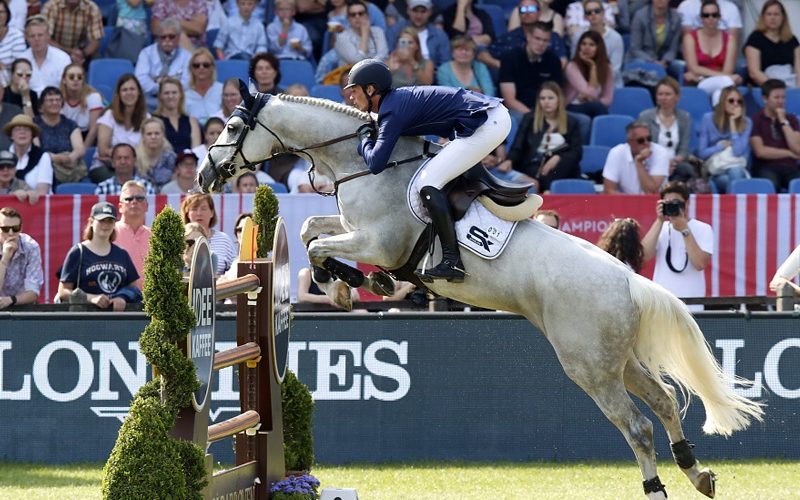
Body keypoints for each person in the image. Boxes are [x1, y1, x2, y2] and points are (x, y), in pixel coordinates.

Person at [347, 58, 511, 282]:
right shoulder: (392, 104)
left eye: (354, 90)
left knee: (427, 182)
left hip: (487, 122)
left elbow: (376, 164)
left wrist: (364, 140)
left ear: (370, 89)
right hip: (489, 118)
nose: (350, 97)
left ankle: (452, 262)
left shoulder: (392, 110)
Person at [56, 201, 141, 311]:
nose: (105, 225)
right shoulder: (78, 252)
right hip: (86, 316)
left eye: (110, 221)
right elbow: (63, 292)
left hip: (117, 317)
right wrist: (90, 298)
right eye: (101, 220)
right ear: (91, 222)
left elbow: (134, 288)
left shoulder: (122, 253)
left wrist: (122, 297)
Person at [642, 181, 713, 311]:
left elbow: (700, 264)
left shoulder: (703, 228)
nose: (672, 206)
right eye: (667, 203)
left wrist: (684, 230)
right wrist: (659, 221)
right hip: (662, 305)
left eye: (676, 202)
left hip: (691, 307)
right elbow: (643, 256)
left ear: (687, 203)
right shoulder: (660, 228)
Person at [498, 81, 582, 191]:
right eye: (542, 98)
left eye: (550, 98)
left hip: (561, 165)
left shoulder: (571, 122)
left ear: (559, 99)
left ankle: (548, 191)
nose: (546, 102)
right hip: (534, 163)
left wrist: (558, 157)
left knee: (564, 164)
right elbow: (518, 145)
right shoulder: (529, 119)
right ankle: (548, 191)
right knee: (540, 172)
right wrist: (509, 160)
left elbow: (577, 151)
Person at [499, 22, 563, 120]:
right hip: (518, 110)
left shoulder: (553, 60)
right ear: (528, 36)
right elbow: (510, 101)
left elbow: (556, 94)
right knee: (518, 118)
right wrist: (534, 117)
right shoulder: (510, 58)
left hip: (546, 110)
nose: (541, 44)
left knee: (582, 120)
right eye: (537, 39)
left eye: (545, 40)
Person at [92, 73, 149, 183]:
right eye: (124, 90)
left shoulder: (146, 118)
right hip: (106, 167)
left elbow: (148, 150)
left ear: (139, 92)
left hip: (136, 168)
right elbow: (103, 151)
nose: (129, 93)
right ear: (118, 94)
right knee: (126, 181)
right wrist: (129, 157)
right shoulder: (109, 116)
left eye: (132, 89)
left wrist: (117, 155)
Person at [638, 77, 694, 184]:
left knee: (686, 170)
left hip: (675, 163)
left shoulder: (685, 118)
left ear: (677, 97)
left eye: (668, 94)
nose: (663, 98)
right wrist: (662, 165)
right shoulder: (645, 117)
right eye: (660, 94)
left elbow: (684, 149)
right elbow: (642, 146)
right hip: (652, 161)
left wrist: (673, 162)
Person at [487, 0, 568, 72]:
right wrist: (501, 65)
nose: (527, 13)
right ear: (519, 14)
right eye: (523, 10)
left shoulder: (553, 37)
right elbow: (484, 53)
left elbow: (562, 60)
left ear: (539, 13)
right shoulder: (508, 38)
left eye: (532, 9)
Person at [697, 85, 751, 193]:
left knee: (734, 173)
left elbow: (737, 151)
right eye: (731, 101)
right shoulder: (708, 118)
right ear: (723, 102)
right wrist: (720, 147)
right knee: (735, 178)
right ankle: (737, 201)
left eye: (739, 101)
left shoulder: (747, 122)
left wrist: (733, 123)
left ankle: (732, 202)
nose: (735, 104)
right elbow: (701, 153)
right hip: (716, 170)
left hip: (736, 167)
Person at [750, 78, 800, 192]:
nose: (781, 101)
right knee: (771, 184)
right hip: (766, 167)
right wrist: (788, 153)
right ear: (765, 99)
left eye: (783, 97)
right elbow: (760, 151)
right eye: (776, 97)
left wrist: (783, 121)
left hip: (791, 167)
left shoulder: (791, 119)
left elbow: (797, 149)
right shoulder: (756, 120)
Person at [681, 0, 741, 89]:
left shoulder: (730, 40)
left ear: (719, 17)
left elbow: (728, 72)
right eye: (706, 15)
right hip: (697, 84)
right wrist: (722, 76)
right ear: (701, 18)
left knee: (725, 86)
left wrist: (701, 77)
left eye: (714, 15)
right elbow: (693, 68)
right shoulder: (690, 38)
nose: (710, 18)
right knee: (727, 82)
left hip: (715, 83)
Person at [134, 17, 192, 108]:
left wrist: (162, 85)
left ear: (178, 38)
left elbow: (187, 83)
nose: (167, 40)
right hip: (150, 98)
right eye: (163, 37)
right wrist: (162, 88)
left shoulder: (186, 56)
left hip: (177, 100)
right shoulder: (146, 53)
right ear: (158, 38)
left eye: (171, 37)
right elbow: (141, 80)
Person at [34, 86, 86, 185]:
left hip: (69, 166)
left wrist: (70, 158)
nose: (55, 103)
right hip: (45, 165)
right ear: (41, 105)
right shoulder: (35, 124)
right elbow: (36, 149)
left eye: (58, 100)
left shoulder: (70, 124)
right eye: (50, 100)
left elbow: (80, 148)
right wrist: (56, 158)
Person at [743, 0, 800, 88]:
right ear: (763, 17)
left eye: (776, 14)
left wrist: (797, 90)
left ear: (783, 17)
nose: (773, 18)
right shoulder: (755, 39)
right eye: (769, 14)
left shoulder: (792, 40)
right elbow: (754, 73)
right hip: (765, 88)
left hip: (791, 86)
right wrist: (777, 88)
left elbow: (799, 70)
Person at [603, 120, 670, 194]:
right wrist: (632, 201)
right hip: (626, 199)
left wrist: (639, 162)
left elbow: (651, 191)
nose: (646, 143)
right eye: (640, 140)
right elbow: (609, 190)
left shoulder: (660, 152)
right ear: (630, 142)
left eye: (649, 138)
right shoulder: (616, 152)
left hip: (657, 200)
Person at [570, 0, 624, 87]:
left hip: (610, 86)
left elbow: (614, 70)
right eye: (589, 12)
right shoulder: (578, 37)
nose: (593, 14)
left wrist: (594, 85)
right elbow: (574, 65)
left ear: (603, 13)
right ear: (585, 17)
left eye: (597, 11)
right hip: (583, 84)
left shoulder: (616, 38)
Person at [180, 193, 238, 274]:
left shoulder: (224, 239)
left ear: (212, 213)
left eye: (203, 209)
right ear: (187, 213)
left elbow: (236, 271)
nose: (199, 213)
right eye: (194, 209)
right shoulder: (178, 240)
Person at [385, 0, 450, 68]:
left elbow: (445, 64)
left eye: (423, 11)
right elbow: (388, 56)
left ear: (430, 12)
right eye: (415, 11)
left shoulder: (440, 36)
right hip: (399, 71)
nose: (419, 16)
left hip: (431, 73)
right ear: (408, 11)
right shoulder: (395, 31)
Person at [564, 30, 614, 119]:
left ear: (599, 48)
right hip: (572, 105)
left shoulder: (607, 68)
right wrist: (593, 67)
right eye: (583, 44)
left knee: (597, 107)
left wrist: (594, 100)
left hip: (594, 106)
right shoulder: (572, 66)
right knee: (597, 108)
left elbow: (608, 99)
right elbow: (590, 93)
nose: (586, 48)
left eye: (591, 45)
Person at [0, 205, 43, 309]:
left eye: (15, 228)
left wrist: (11, 300)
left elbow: (34, 292)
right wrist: (4, 259)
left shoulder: (31, 247)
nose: (11, 233)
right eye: (5, 229)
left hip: (22, 306)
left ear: (21, 228)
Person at [41, 0, 104, 66]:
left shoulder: (92, 8)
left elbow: (95, 40)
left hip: (80, 51)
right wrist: (69, 52)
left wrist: (83, 54)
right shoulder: (51, 6)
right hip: (56, 50)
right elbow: (45, 38)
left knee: (96, 57)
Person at [5, 113, 52, 202]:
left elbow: (42, 192)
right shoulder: (3, 157)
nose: (22, 132)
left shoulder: (43, 156)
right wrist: (12, 195)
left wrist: (30, 195)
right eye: (18, 129)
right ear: (11, 135)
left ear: (32, 135)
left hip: (36, 205)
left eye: (27, 129)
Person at [626, 0, 682, 73]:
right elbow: (635, 49)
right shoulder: (640, 16)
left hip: (664, 60)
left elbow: (673, 49)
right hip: (642, 58)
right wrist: (653, 62)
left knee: (679, 66)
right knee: (649, 67)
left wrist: (665, 61)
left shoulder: (676, 18)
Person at [20, 15, 71, 95]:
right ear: (26, 38)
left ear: (48, 35)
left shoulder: (63, 58)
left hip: (56, 100)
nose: (36, 39)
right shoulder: (21, 60)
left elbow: (67, 88)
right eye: (32, 36)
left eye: (40, 35)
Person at [115, 180, 151, 288]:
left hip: (149, 297)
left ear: (146, 206)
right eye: (129, 199)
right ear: (120, 207)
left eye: (139, 198)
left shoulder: (155, 237)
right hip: (116, 296)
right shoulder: (109, 233)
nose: (134, 202)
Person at [60, 63, 102, 146]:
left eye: (79, 77)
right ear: (64, 80)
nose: (76, 79)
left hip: (86, 138)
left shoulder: (93, 97)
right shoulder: (58, 98)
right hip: (64, 138)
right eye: (71, 77)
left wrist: (83, 150)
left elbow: (93, 130)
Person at [153, 77, 201, 152]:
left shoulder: (192, 121)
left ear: (181, 95)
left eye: (174, 92)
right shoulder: (154, 121)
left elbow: (196, 150)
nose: (170, 96)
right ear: (160, 96)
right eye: (166, 93)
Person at [184, 48, 223, 125]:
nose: (201, 68)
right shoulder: (184, 94)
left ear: (212, 67)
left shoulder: (222, 90)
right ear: (191, 69)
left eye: (206, 65)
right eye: (196, 65)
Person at [135, 117, 175, 190]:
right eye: (149, 134)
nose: (153, 137)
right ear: (143, 136)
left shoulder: (171, 158)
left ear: (163, 135)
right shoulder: (135, 158)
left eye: (157, 133)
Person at [676, 0, 741, 40]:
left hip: (722, 54)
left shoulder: (731, 8)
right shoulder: (686, 6)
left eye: (715, 15)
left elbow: (732, 41)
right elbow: (687, 38)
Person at [0, 0, 26, 78]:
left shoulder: (17, 36)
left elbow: (20, 67)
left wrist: (4, 69)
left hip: (10, 80)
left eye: (1, 12)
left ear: (7, 14)